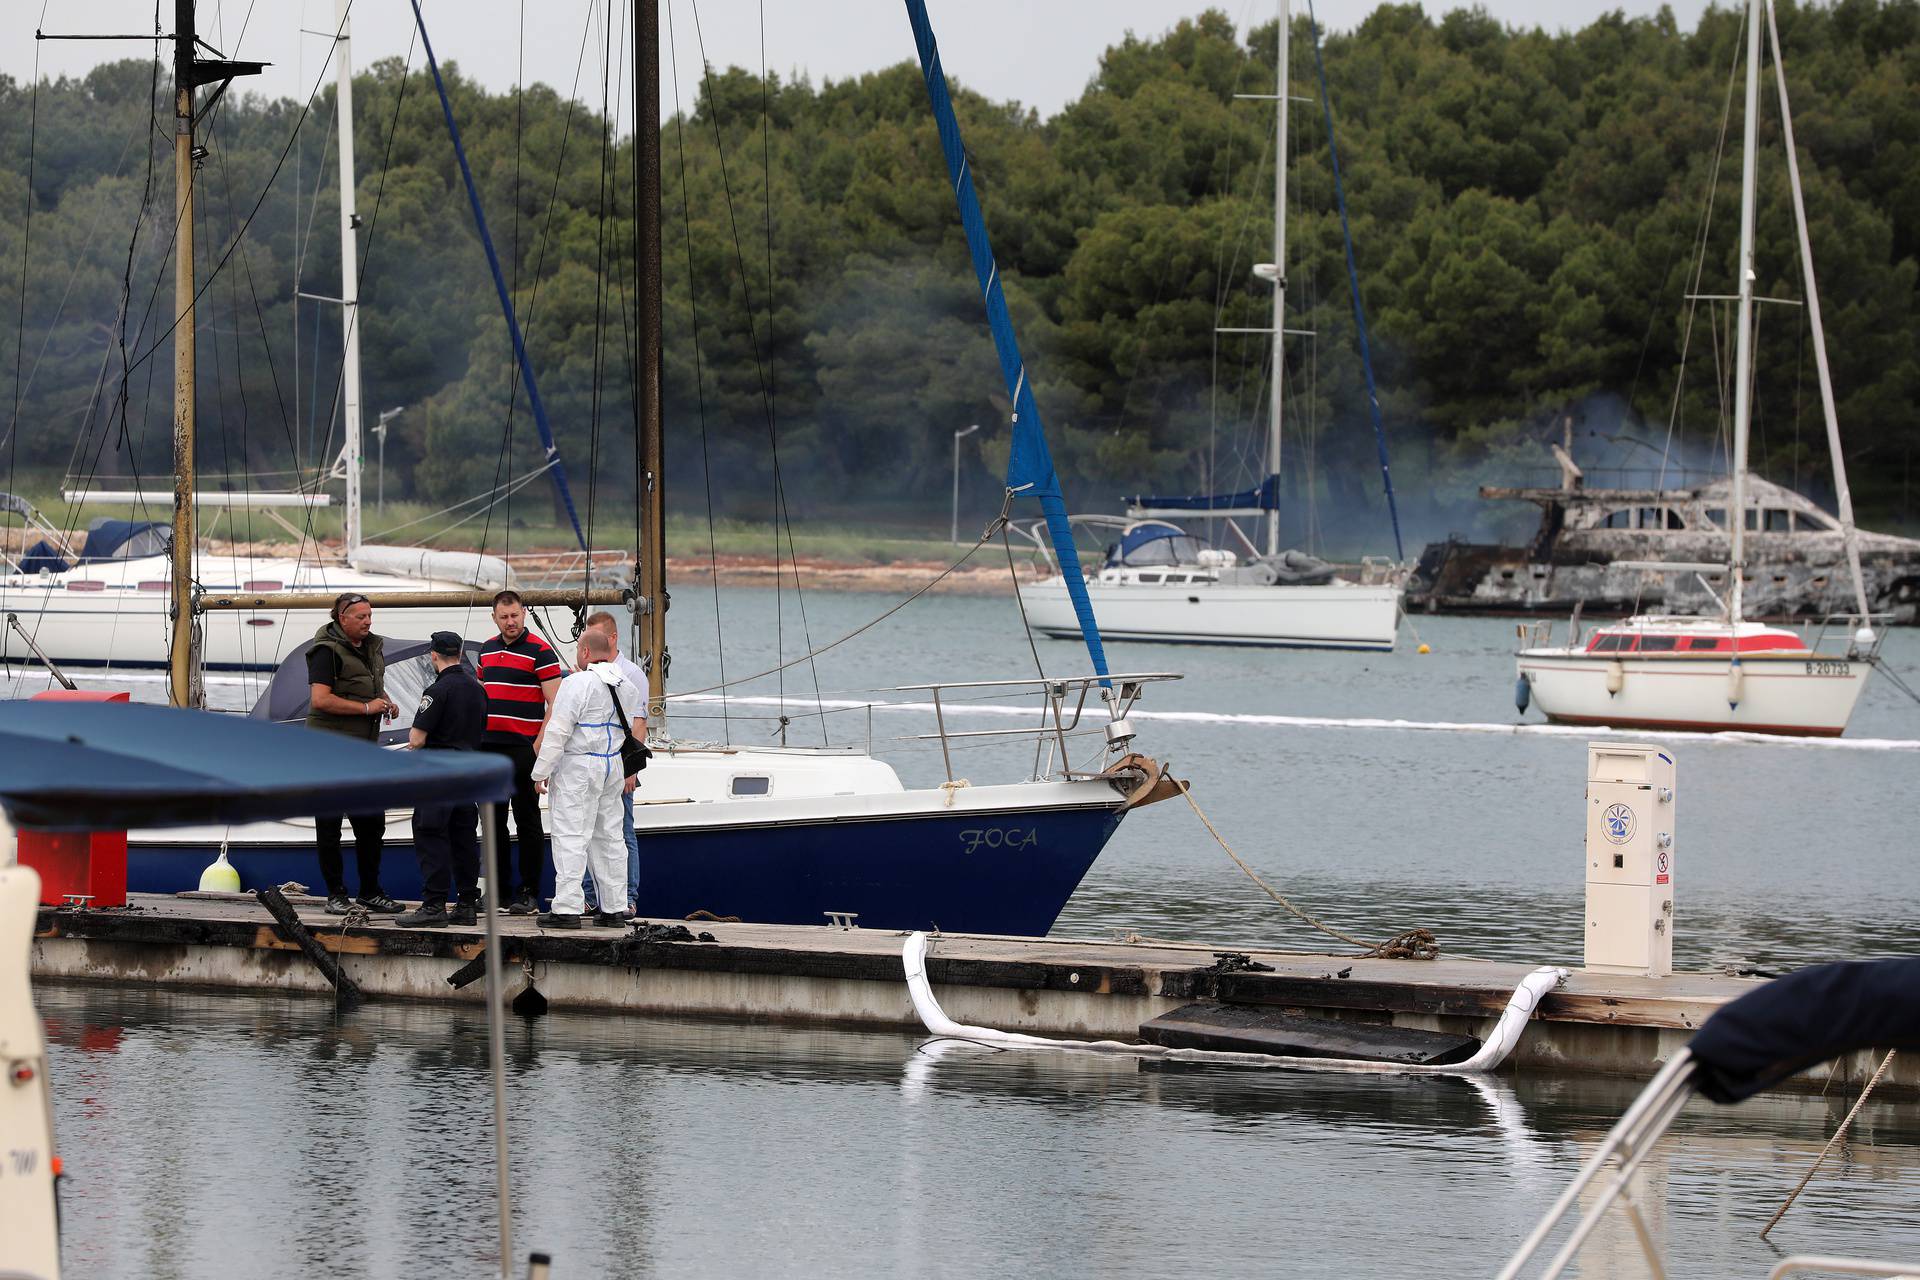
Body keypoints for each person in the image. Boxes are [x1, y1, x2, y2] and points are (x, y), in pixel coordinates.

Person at [529, 628, 643, 929]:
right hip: (612, 766)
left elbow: (558, 730)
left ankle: (567, 908)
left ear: (584, 653)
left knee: (570, 836)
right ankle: (614, 907)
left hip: (579, 767)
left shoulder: (577, 683)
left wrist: (540, 772)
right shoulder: (627, 685)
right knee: (609, 838)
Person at [304, 592, 403, 915]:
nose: (368, 622)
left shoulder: (373, 647)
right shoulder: (325, 651)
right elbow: (320, 700)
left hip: (362, 750)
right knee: (330, 826)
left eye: (370, 616)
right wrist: (365, 708)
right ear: (342, 618)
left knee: (372, 823)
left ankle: (370, 891)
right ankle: (336, 894)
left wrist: (385, 700)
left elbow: (371, 686)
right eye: (361, 617)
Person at [477, 590, 562, 914]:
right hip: (490, 749)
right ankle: (498, 891)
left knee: (527, 821)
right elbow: (482, 695)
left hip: (524, 748)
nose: (510, 622)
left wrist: (538, 747)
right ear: (495, 617)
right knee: (493, 822)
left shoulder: (541, 651)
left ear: (524, 613)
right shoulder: (486, 650)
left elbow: (555, 703)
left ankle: (528, 892)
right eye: (504, 617)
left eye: (514, 615)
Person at [396, 632, 489, 929]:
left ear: (433, 655)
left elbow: (417, 738)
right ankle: (466, 904)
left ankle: (434, 905)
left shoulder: (436, 690)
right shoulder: (478, 690)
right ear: (459, 654)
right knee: (464, 839)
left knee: (431, 835)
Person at [581, 610, 646, 917]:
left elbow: (638, 724)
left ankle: (627, 897)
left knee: (622, 831)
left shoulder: (631, 674)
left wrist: (630, 770)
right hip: (591, 765)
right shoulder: (585, 673)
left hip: (618, 763)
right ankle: (592, 896)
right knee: (587, 830)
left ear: (612, 637)